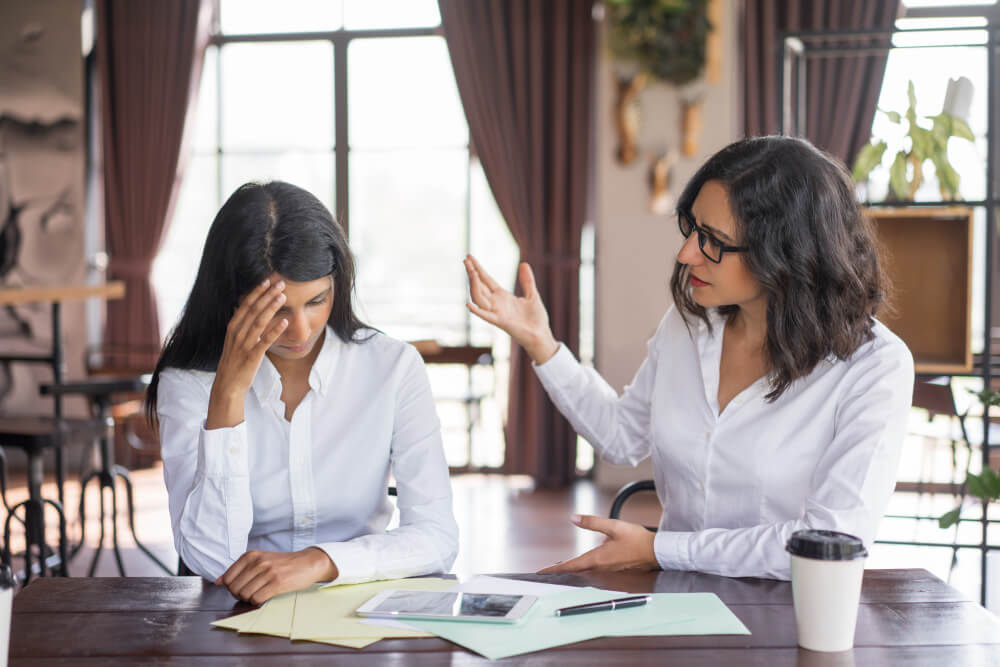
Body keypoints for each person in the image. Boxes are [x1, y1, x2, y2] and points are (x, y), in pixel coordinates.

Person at [464, 136, 914, 580]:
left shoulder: (875, 368)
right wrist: (542, 342)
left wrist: (662, 550)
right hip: (677, 599)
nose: (686, 254)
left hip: (788, 610)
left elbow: (832, 538)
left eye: (713, 241)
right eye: (693, 229)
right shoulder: (690, 326)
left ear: (788, 253)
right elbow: (622, 436)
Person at [147, 181, 458, 604]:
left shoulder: (393, 368)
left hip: (360, 605)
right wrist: (228, 396)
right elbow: (212, 559)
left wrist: (319, 561)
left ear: (337, 285)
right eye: (276, 309)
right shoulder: (188, 382)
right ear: (231, 299)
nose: (301, 330)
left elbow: (437, 537)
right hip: (238, 615)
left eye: (317, 300)